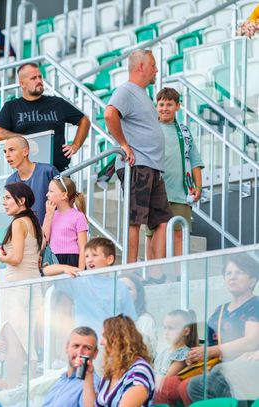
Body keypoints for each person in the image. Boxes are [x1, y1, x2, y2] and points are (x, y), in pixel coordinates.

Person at [104, 49, 173, 263]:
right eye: (153, 65)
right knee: (135, 220)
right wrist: (124, 145)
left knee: (163, 221)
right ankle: (130, 269)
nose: (156, 70)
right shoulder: (126, 90)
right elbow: (109, 114)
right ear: (141, 67)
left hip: (152, 166)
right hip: (138, 165)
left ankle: (156, 272)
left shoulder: (143, 94)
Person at [179, 256, 259, 405]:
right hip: (219, 365)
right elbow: (209, 344)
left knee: (220, 372)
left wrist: (211, 351)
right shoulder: (219, 310)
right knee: (192, 386)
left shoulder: (255, 304)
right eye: (228, 273)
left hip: (247, 364)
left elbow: (251, 342)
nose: (232, 277)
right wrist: (196, 355)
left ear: (253, 280)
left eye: (239, 272)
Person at [0, 63, 91, 172]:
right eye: (33, 78)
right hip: (28, 173)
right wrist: (25, 139)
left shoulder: (57, 103)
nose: (39, 81)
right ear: (22, 84)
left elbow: (84, 120)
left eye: (40, 77)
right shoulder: (11, 107)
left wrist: (75, 145)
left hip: (58, 171)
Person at [0, 326, 101, 407]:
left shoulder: (91, 383)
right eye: (76, 346)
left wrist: (88, 376)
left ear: (95, 354)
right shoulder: (61, 379)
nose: (79, 352)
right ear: (67, 348)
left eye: (87, 348)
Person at [145, 87, 204, 259]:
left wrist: (198, 186)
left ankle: (179, 272)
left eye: (169, 105)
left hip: (180, 193)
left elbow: (195, 161)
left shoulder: (184, 132)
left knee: (179, 234)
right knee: (152, 234)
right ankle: (152, 271)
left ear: (178, 106)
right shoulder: (150, 129)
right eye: (161, 104)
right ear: (156, 106)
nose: (165, 108)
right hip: (154, 192)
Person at [0, 182, 44, 388]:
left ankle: (12, 388)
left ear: (21, 200)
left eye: (8, 197)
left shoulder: (18, 223)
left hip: (16, 288)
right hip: (32, 286)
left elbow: (16, 258)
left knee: (14, 341)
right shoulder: (34, 223)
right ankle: (29, 391)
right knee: (27, 341)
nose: (4, 202)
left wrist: (3, 256)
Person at [48, 237, 137, 337]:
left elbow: (130, 320)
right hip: (83, 341)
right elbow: (47, 271)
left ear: (109, 259)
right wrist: (66, 268)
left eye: (94, 255)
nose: (89, 260)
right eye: (86, 256)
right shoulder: (79, 281)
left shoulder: (120, 287)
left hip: (109, 342)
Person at [83, 314, 156, 407]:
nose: (101, 343)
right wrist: (88, 375)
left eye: (105, 337)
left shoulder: (140, 371)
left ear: (117, 339)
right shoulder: (111, 372)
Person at [4, 135, 59, 224]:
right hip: (26, 230)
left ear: (25, 152)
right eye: (5, 151)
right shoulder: (10, 181)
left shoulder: (48, 171)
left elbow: (64, 202)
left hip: (53, 228)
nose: (7, 155)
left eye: (11, 150)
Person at [154, 309, 198, 406]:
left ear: (186, 331)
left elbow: (167, 378)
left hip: (163, 393)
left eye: (171, 328)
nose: (166, 332)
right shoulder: (163, 352)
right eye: (165, 327)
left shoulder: (184, 353)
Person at [42, 176, 88, 269]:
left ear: (63, 195)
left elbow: (83, 247)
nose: (47, 194)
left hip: (72, 259)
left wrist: (81, 270)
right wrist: (48, 216)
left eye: (51, 191)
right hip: (53, 258)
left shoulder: (78, 216)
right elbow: (44, 241)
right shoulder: (50, 215)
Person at [119, 273, 157, 358]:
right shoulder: (108, 319)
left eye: (128, 289)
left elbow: (149, 352)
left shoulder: (145, 320)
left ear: (138, 294)